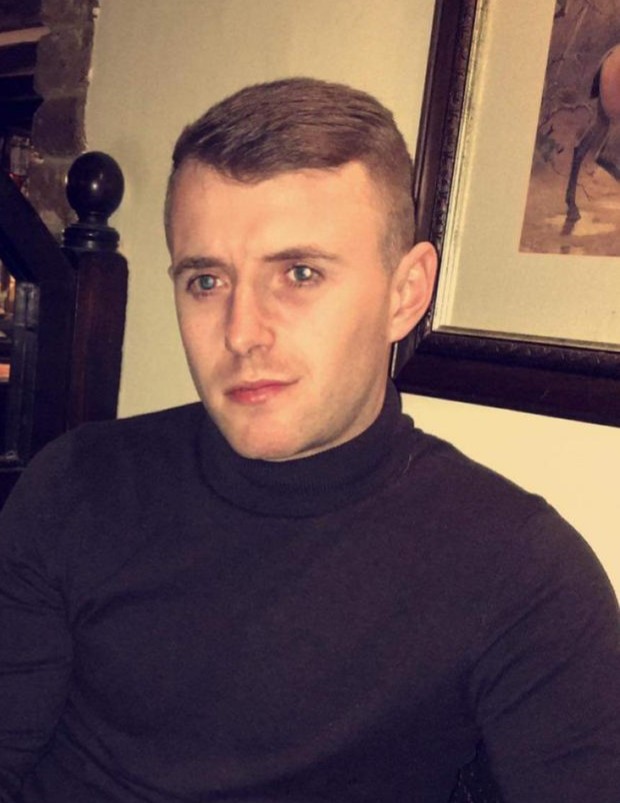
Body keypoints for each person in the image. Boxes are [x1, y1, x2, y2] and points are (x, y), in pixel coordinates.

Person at [0, 77, 618, 803]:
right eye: (206, 281)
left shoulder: (521, 571)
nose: (241, 333)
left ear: (406, 293)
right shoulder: (77, 483)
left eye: (299, 273)